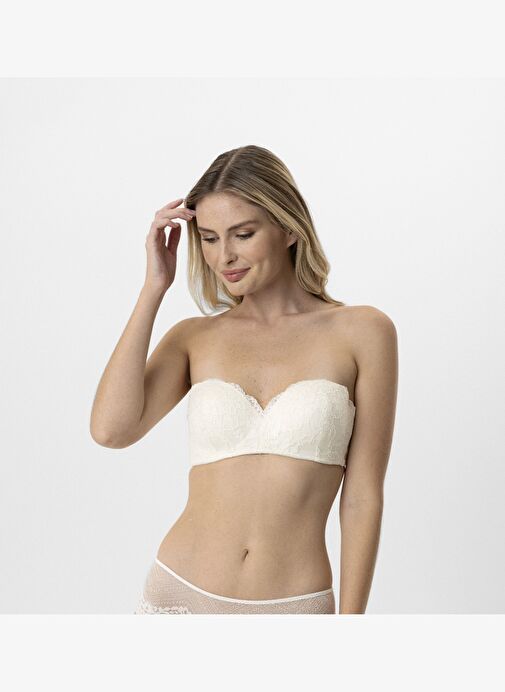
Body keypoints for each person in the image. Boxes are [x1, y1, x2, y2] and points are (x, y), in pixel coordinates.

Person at [90, 145, 398, 614]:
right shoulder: (195, 338)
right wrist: (154, 287)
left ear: (289, 228)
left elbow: (362, 497)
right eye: (209, 238)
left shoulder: (364, 332)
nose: (224, 257)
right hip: (178, 595)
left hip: (295, 603)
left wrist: (351, 626)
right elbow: (111, 431)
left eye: (243, 234)